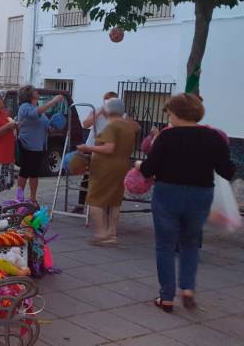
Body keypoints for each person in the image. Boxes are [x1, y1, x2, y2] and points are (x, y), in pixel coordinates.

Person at [137, 94, 235, 313]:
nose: (169, 118)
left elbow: (149, 169)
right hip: (200, 195)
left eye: (170, 113)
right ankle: (188, 289)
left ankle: (167, 297)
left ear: (177, 113)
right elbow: (226, 171)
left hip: (167, 193)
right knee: (190, 243)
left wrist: (138, 165)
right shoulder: (214, 137)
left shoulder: (166, 137)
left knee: (165, 245)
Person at [76, 98, 135, 245]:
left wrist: (88, 148)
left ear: (108, 110)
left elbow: (109, 148)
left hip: (106, 168)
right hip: (122, 166)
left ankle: (101, 233)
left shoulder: (111, 127)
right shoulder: (128, 126)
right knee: (115, 201)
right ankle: (112, 233)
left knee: (95, 200)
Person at [15, 85, 65, 204]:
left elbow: (45, 124)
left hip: (39, 145)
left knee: (32, 172)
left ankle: (31, 197)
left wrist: (51, 128)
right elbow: (35, 113)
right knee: (26, 172)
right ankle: (21, 197)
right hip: (28, 144)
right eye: (34, 91)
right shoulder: (24, 107)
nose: (37, 92)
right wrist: (53, 101)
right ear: (29, 95)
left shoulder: (37, 107)